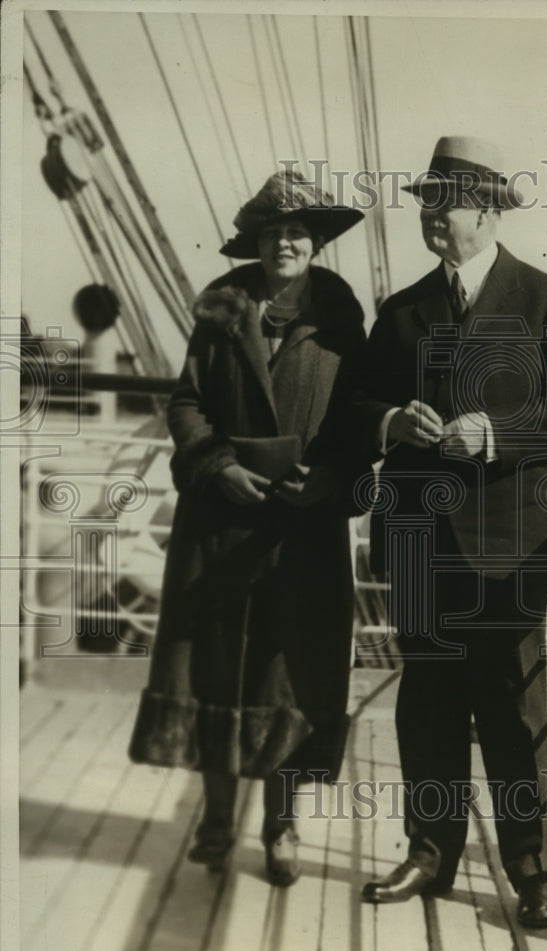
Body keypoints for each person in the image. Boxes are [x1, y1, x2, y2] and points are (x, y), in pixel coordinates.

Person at [354, 136, 547, 927]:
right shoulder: (400, 311)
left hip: (513, 540)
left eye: (445, 202)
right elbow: (356, 405)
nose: (430, 214)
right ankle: (429, 852)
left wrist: (491, 434)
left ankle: (531, 870)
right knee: (425, 699)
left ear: (488, 211)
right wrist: (391, 421)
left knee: (511, 705)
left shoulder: (546, 300)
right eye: (425, 200)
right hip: (419, 537)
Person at [129, 167, 367, 886]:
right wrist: (217, 466)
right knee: (217, 671)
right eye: (272, 233)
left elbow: (359, 419)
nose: (284, 243)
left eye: (296, 232)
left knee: (286, 678)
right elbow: (186, 404)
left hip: (303, 528)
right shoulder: (222, 311)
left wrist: (332, 477)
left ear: (315, 242)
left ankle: (281, 826)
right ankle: (215, 821)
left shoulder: (341, 319)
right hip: (220, 525)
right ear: (256, 244)